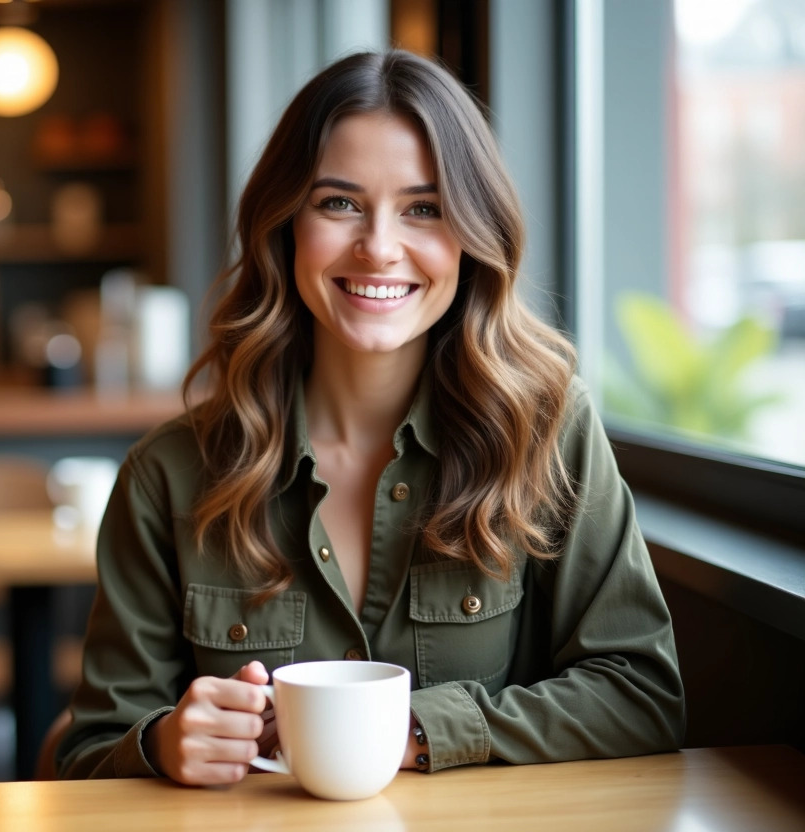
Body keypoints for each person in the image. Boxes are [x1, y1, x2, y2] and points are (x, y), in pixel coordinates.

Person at [55, 49, 686, 783]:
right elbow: (84, 753)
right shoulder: (167, 474)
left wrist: (419, 732)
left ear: (472, 233)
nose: (380, 247)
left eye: (424, 208)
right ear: (286, 224)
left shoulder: (546, 433)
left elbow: (641, 695)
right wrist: (164, 744)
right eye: (339, 203)